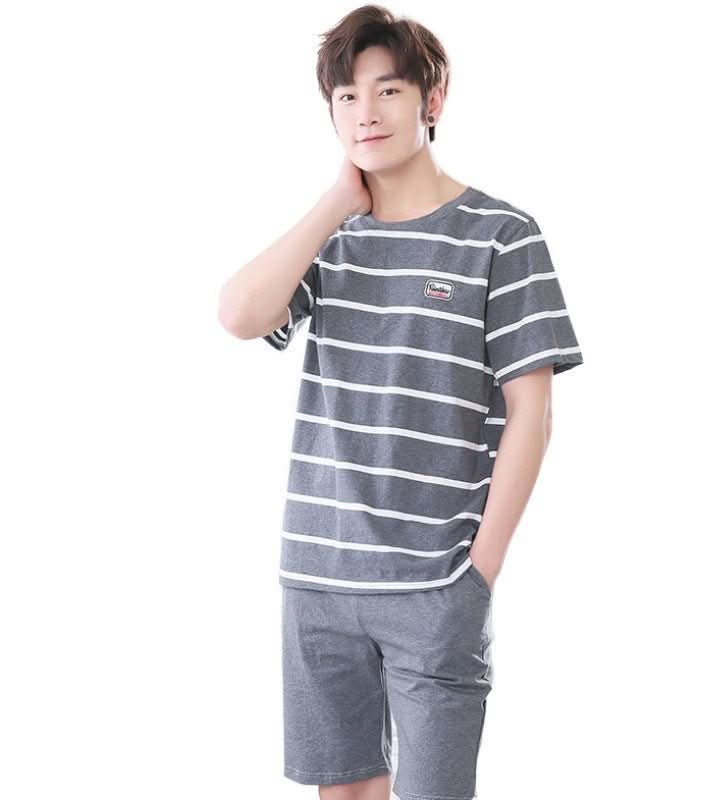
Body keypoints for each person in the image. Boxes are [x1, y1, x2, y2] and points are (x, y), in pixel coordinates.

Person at [218, 5, 584, 799]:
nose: (367, 113)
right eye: (346, 97)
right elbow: (239, 314)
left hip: (435, 582)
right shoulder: (331, 240)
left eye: (387, 91)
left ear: (432, 98)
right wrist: (333, 204)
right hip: (318, 580)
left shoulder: (501, 235)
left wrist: (478, 573)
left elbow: (532, 413)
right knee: (345, 791)